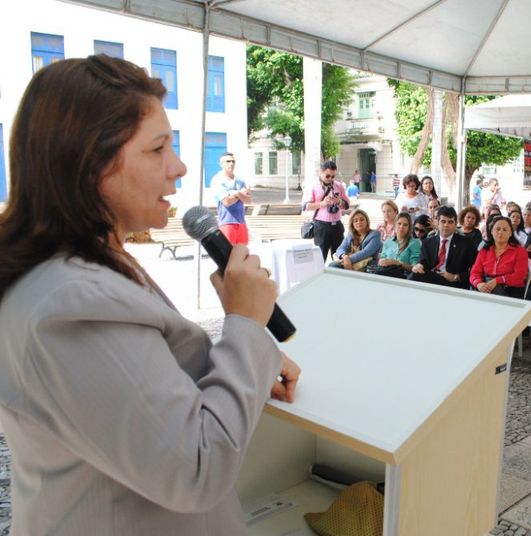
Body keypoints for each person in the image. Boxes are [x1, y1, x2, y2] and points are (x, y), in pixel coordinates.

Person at [0, 55, 301, 535]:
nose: (178, 167)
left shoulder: (80, 268)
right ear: (90, 163)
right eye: (158, 148)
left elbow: (138, 395)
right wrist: (244, 324)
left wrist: (248, 362)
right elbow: (194, 468)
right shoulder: (72, 305)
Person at [410, 206, 477, 289]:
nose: (446, 225)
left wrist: (456, 277)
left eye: (450, 222)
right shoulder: (427, 242)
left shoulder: (467, 243)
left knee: (414, 277)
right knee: (414, 274)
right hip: (432, 279)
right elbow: (424, 261)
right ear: (437, 223)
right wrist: (419, 265)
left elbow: (475, 270)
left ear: (456, 224)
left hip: (453, 283)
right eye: (443, 221)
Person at [470, 216, 529, 299]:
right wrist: (479, 284)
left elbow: (519, 277)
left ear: (510, 233)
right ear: (491, 231)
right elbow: (475, 273)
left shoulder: (520, 251)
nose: (500, 232)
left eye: (505, 230)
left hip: (511, 290)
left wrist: (498, 280)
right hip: (486, 287)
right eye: (497, 229)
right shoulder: (484, 250)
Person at [303, 160, 350, 261]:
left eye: (333, 176)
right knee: (320, 259)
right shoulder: (313, 186)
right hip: (321, 226)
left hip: (337, 226)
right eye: (327, 176)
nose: (330, 179)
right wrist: (322, 204)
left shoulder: (339, 186)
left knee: (339, 258)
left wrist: (339, 201)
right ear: (321, 172)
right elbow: (305, 206)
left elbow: (347, 205)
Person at [211, 151, 252, 245]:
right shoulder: (217, 180)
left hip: (241, 222)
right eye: (228, 161)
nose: (231, 163)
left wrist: (234, 194)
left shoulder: (240, 181)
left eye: (233, 161)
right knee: (228, 255)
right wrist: (239, 193)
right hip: (226, 223)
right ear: (221, 164)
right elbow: (226, 201)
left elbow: (248, 200)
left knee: (242, 254)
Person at [373, 212, 421, 278]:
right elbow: (381, 261)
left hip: (403, 276)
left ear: (409, 227)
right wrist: (381, 262)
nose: (401, 226)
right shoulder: (388, 242)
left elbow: (414, 267)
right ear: (395, 225)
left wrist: (397, 263)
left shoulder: (414, 243)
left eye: (405, 224)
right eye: (399, 223)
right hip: (384, 273)